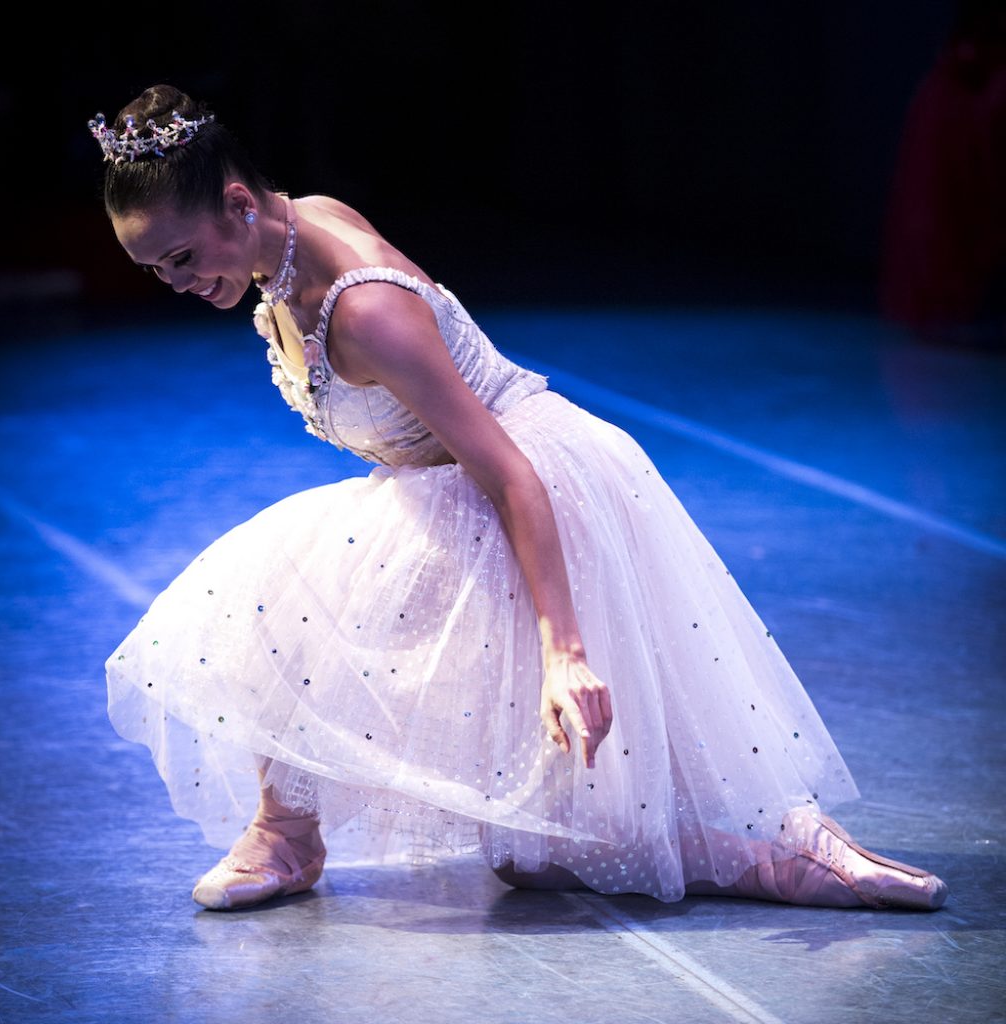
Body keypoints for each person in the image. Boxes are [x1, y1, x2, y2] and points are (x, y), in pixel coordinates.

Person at [93, 85, 948, 913]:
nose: (172, 281)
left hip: (529, 485)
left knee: (539, 854)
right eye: (150, 268)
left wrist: (565, 651)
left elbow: (508, 475)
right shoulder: (283, 233)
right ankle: (287, 831)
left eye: (179, 257)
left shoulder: (363, 312)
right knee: (293, 594)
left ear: (239, 205)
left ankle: (786, 859)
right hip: (443, 488)